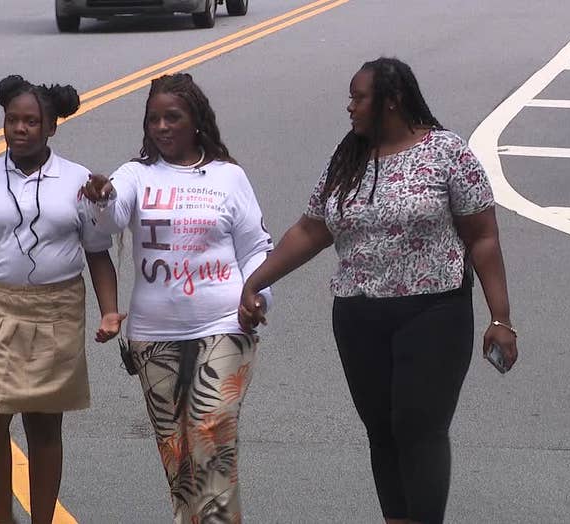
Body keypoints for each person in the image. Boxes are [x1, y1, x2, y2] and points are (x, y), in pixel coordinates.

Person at [239, 57, 519, 524]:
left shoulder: (447, 152)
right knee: (383, 431)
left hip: (434, 313)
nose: (349, 107)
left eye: (358, 97)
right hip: (358, 316)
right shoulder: (348, 158)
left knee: (419, 427)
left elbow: (483, 238)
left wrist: (500, 317)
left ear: (391, 101)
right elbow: (311, 229)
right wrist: (257, 280)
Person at [80, 73, 273, 524]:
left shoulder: (229, 177)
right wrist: (103, 196)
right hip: (154, 336)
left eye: (173, 117)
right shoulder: (136, 175)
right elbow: (110, 221)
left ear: (196, 122)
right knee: (179, 457)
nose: (162, 127)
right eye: (154, 119)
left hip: (225, 325)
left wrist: (258, 296)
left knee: (210, 437)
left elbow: (256, 247)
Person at [0, 74, 124, 524]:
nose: (20, 129)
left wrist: (110, 311)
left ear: (51, 128)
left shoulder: (78, 181)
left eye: (31, 122)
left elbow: (98, 256)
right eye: (12, 120)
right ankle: (3, 517)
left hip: (57, 309)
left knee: (43, 426)